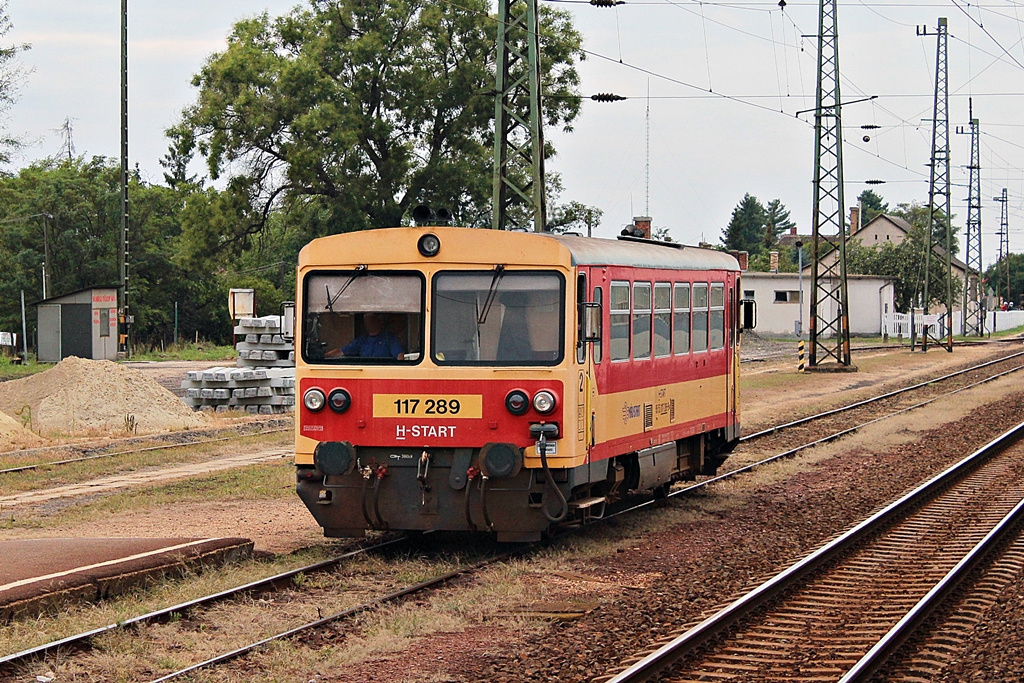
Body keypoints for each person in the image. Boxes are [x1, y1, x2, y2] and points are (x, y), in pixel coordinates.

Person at [328, 312, 405, 359]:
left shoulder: (389, 338)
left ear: (378, 321)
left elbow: (400, 355)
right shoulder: (362, 340)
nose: (369, 323)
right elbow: (341, 351)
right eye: (366, 321)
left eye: (371, 320)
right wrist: (324, 356)